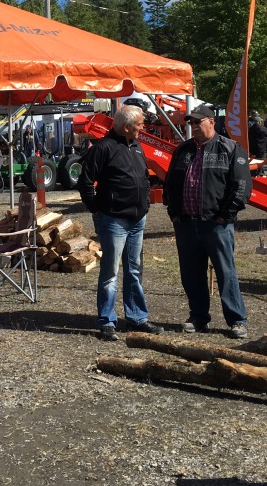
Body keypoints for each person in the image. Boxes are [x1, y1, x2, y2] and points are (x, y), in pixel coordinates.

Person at [163, 105, 252, 339]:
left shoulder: (230, 148)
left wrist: (226, 215)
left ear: (211, 122)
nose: (194, 126)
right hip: (186, 223)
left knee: (226, 271)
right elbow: (170, 182)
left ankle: (236, 320)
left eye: (198, 122)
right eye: (191, 123)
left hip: (216, 223)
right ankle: (198, 316)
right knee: (191, 273)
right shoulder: (182, 150)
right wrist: (173, 212)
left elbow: (241, 186)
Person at [78, 105, 161, 341]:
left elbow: (143, 177)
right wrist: (96, 209)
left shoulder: (136, 147)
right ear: (126, 127)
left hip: (137, 219)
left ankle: (137, 317)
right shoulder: (104, 148)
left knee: (134, 269)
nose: (143, 127)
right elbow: (85, 182)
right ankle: (107, 321)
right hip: (113, 220)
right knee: (110, 272)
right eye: (139, 124)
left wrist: (143, 204)